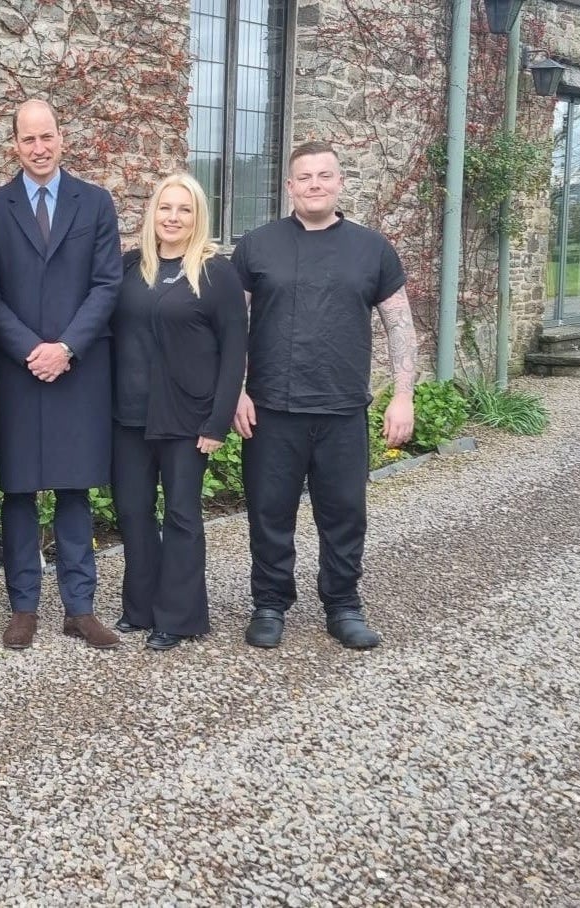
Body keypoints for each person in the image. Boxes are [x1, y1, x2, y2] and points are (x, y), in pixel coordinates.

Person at [231, 140, 418, 651]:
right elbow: (233, 327)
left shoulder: (372, 249)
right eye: (305, 177)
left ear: (340, 183)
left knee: (344, 513)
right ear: (289, 186)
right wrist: (236, 391)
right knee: (270, 513)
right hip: (271, 410)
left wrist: (403, 396)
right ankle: (269, 604)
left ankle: (343, 605)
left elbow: (400, 325)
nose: (315, 184)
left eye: (325, 175)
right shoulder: (256, 246)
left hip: (341, 409)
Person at [0, 99, 123, 650]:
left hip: (77, 368)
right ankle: (24, 605)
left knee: (74, 488)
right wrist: (29, 350)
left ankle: (80, 608)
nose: (39, 149)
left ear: (63, 138)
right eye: (28, 139)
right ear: (14, 144)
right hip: (17, 371)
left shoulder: (96, 203)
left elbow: (107, 284)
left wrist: (65, 347)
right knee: (17, 489)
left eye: (47, 137)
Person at [110, 173, 247, 650]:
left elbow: (234, 352)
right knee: (133, 511)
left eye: (184, 210)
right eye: (165, 208)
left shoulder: (215, 272)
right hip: (128, 416)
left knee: (182, 516)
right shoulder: (131, 266)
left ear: (197, 217)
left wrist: (218, 421)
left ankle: (181, 616)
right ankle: (140, 608)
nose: (173, 217)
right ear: (152, 214)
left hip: (187, 419)